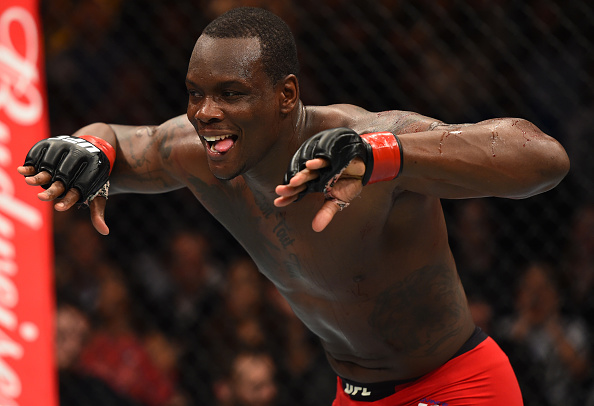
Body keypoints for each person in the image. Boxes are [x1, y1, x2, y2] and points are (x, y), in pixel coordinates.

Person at [18, 7, 570, 405]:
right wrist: (87, 148)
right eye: (194, 93)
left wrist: (385, 155)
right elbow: (119, 137)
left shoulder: (366, 139)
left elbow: (542, 157)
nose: (205, 112)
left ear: (285, 96)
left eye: (231, 93)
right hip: (352, 393)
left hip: (455, 387)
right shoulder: (195, 151)